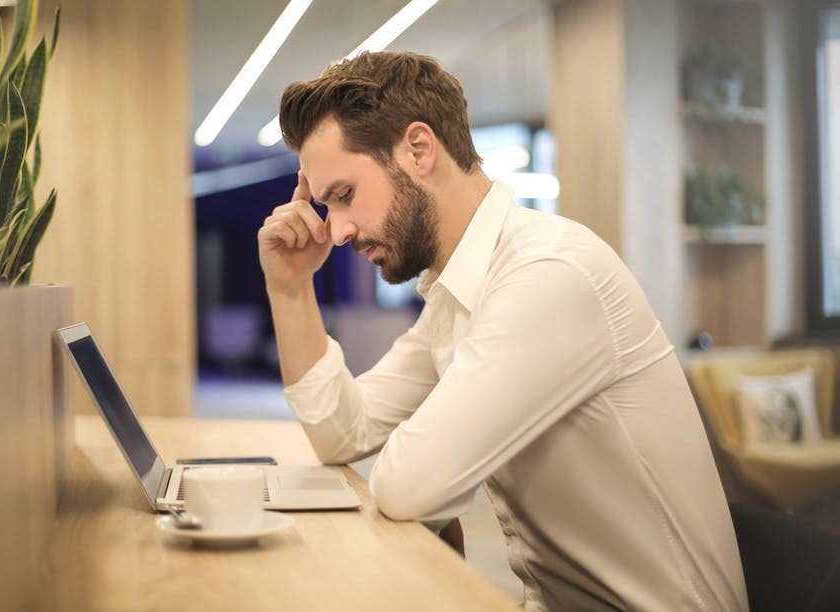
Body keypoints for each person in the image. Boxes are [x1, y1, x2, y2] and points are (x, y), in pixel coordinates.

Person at [257, 50, 748, 612]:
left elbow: (408, 485)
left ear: (418, 150)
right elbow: (343, 433)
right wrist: (290, 290)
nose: (336, 229)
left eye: (344, 195)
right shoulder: (457, 290)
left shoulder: (548, 275)